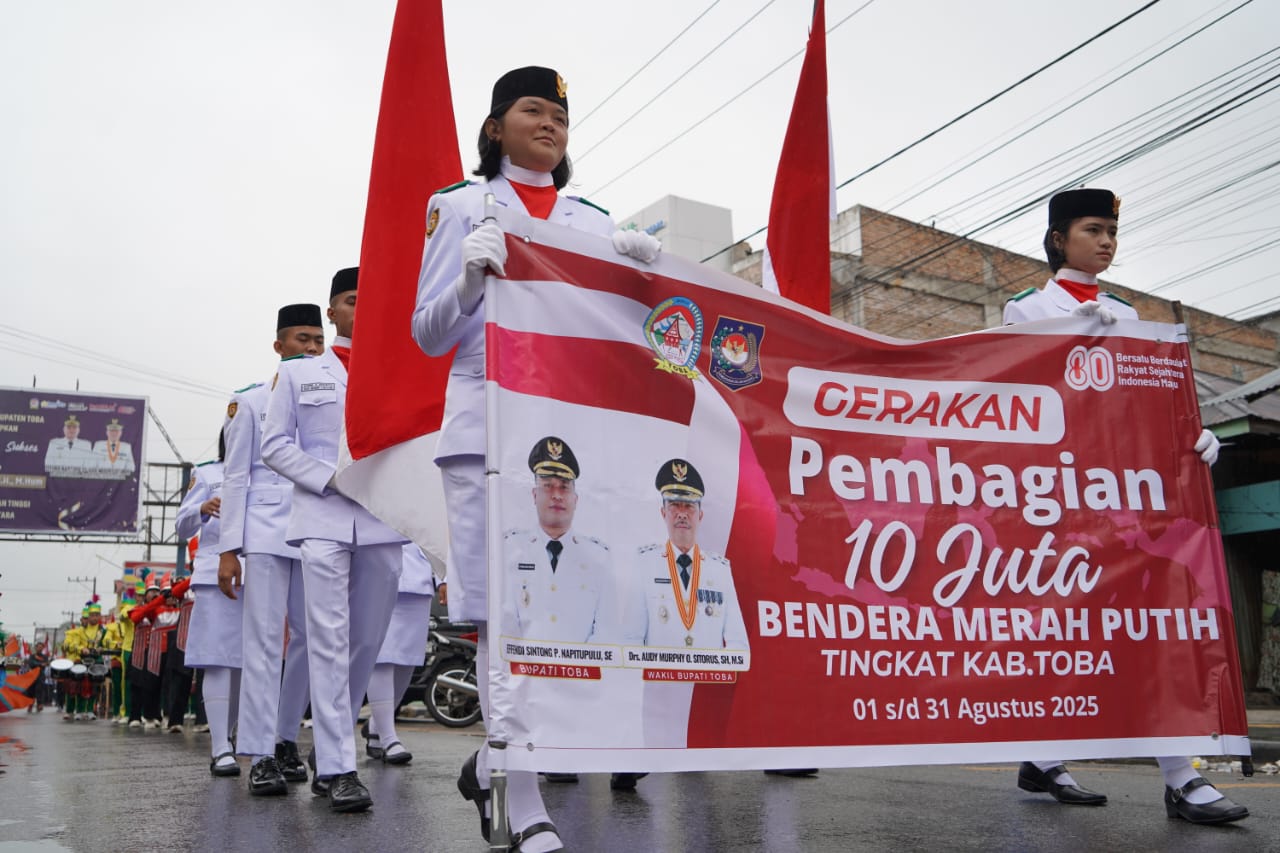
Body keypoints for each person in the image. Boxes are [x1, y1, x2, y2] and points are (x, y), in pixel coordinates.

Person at [412, 65, 661, 852]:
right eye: (532, 109)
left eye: (559, 112)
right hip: (485, 427)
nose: (550, 122)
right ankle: (522, 797)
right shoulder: (459, 207)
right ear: (495, 128)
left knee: (568, 610)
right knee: (502, 615)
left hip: (567, 435)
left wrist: (643, 279)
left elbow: (616, 338)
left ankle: (499, 754)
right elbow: (427, 334)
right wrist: (467, 278)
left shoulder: (593, 218)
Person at [1003, 187, 1246, 826]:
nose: (1107, 241)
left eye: (1113, 230)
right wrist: (1077, 341)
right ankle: (1041, 753)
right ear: (1059, 238)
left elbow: (1151, 400)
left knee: (1147, 627)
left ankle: (1180, 777)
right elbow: (1023, 402)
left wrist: (1192, 431)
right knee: (1061, 633)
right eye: (1093, 229)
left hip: (1128, 496)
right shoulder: (1026, 308)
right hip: (1057, 497)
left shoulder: (1129, 311)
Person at [262, 267, 405, 813]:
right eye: (351, 300)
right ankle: (340, 767)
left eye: (372, 299)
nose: (362, 309)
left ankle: (330, 747)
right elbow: (274, 445)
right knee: (326, 637)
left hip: (381, 518)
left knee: (366, 642)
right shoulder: (300, 376)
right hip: (322, 515)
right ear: (332, 312)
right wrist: (327, 478)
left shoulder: (397, 373)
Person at [218, 303, 324, 796]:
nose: (311, 347)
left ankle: (284, 737)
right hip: (262, 532)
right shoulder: (252, 402)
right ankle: (258, 752)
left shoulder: (331, 398)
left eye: (317, 340)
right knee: (262, 641)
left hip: (317, 529)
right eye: (301, 338)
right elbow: (236, 476)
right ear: (278, 346)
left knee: (311, 641)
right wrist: (228, 549)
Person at [626, 459, 749, 653]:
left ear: (700, 515)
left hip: (705, 682)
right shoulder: (644, 564)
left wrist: (714, 678)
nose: (682, 514)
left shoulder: (720, 570)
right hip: (660, 680)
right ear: (663, 512)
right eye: (675, 504)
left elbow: (738, 644)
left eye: (689, 506)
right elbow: (631, 640)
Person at [175, 434, 244, 777]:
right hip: (215, 574)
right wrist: (201, 509)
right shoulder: (206, 474)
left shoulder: (267, 471)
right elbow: (181, 525)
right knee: (218, 660)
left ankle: (231, 735)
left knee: (247, 664)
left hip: (259, 575)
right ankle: (220, 747)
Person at [503, 436, 616, 643]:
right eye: (548, 486)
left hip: (579, 671)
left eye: (564, 487)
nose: (556, 495)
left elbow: (605, 629)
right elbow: (506, 623)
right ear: (534, 494)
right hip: (526, 670)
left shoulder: (598, 557)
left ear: (575, 499)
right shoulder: (510, 549)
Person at [363, 544, 438, 766]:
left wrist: (443, 579)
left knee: (409, 660)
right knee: (382, 658)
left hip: (419, 577)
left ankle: (377, 726)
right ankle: (388, 738)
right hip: (378, 569)